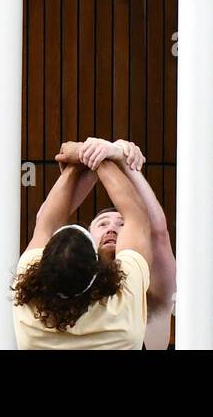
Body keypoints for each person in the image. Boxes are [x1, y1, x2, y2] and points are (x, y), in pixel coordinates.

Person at [12, 136, 153, 348]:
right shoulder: (123, 300)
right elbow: (136, 216)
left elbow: (46, 223)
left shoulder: (30, 308)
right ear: (98, 267)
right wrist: (99, 154)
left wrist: (80, 158)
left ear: (41, 268)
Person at [74, 140, 176, 349]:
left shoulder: (152, 293)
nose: (111, 229)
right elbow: (48, 221)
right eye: (102, 224)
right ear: (88, 239)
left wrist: (124, 161)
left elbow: (158, 234)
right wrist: (98, 158)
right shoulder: (69, 290)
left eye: (122, 223)